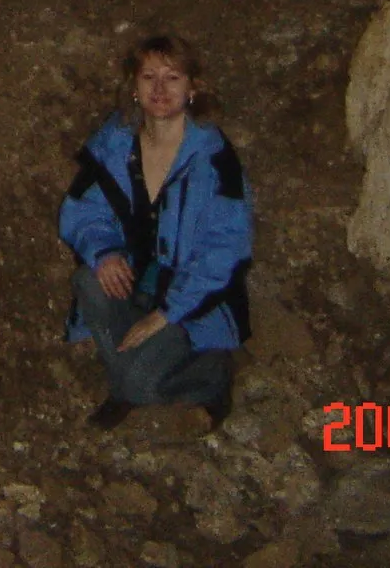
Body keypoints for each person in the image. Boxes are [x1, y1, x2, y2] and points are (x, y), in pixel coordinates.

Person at [58, 33, 253, 431]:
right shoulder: (114, 143)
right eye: (149, 77)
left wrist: (166, 314)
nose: (160, 89)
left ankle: (209, 377)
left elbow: (225, 250)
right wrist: (104, 252)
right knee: (88, 280)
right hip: (135, 285)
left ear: (192, 88)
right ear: (134, 86)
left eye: (173, 78)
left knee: (140, 381)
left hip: (192, 304)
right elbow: (82, 211)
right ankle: (132, 375)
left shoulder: (214, 160)